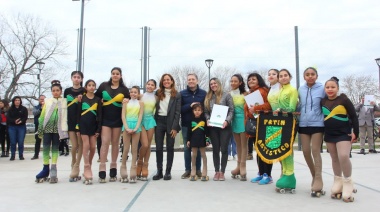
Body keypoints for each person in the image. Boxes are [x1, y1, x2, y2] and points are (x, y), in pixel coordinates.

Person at [322, 77, 359, 202]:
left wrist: (356, 132)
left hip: (344, 134)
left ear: (337, 88)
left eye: (333, 87)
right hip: (329, 134)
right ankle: (338, 180)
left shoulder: (343, 99)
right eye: (327, 87)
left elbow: (354, 116)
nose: (330, 89)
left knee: (343, 156)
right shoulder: (323, 101)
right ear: (325, 89)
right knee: (334, 158)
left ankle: (348, 181)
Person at [95, 67, 130, 183]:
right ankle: (102, 167)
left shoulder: (124, 89)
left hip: (117, 119)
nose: (115, 75)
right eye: (113, 73)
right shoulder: (103, 86)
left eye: (117, 74)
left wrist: (127, 101)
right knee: (105, 142)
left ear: (120, 76)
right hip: (105, 119)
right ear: (111, 75)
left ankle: (113, 167)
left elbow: (130, 101)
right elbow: (95, 97)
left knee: (115, 143)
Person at [298, 67, 326, 196]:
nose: (310, 76)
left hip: (318, 123)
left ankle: (319, 179)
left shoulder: (322, 88)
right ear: (304, 77)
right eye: (307, 74)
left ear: (317, 76)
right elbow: (298, 105)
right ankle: (314, 176)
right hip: (303, 124)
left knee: (315, 150)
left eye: (312, 74)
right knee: (305, 151)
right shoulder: (301, 89)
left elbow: (329, 102)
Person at [35, 80, 68, 183]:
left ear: (61, 91)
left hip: (58, 129)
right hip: (47, 128)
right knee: (45, 148)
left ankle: (53, 168)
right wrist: (40, 129)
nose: (55, 92)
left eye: (57, 90)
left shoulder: (64, 101)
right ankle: (45, 168)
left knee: (55, 149)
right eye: (53, 90)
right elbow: (42, 115)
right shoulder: (48, 101)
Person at [244, 72, 272, 185]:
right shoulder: (250, 93)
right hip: (254, 123)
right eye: (249, 79)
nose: (251, 81)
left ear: (259, 80)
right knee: (258, 150)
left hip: (264, 123)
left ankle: (267, 175)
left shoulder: (264, 91)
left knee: (265, 149)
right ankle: (260, 173)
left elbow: (269, 105)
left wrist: (256, 108)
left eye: (253, 79)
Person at [204, 78, 234, 181]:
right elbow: (206, 111)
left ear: (219, 83)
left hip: (225, 127)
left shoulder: (227, 95)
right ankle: (216, 171)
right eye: (211, 84)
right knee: (215, 149)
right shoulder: (208, 97)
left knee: (224, 149)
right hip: (213, 127)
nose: (213, 85)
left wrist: (227, 121)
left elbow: (231, 110)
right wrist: (208, 119)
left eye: (214, 83)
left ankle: (222, 171)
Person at [152, 74, 181, 181]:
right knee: (158, 147)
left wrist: (175, 127)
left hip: (171, 123)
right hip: (159, 121)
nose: (166, 81)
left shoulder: (177, 95)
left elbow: (178, 112)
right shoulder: (158, 93)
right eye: (164, 80)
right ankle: (159, 171)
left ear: (172, 81)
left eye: (168, 80)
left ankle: (168, 172)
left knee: (170, 147)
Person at [274, 69, 298, 191]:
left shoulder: (292, 90)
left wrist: (280, 109)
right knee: (281, 148)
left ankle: (290, 175)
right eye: (281, 76)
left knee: (287, 149)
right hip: (281, 122)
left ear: (290, 77)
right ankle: (285, 173)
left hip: (290, 122)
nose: (283, 77)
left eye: (285, 75)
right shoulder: (281, 89)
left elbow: (292, 107)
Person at [180, 74, 206, 179]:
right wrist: (189, 105)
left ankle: (198, 170)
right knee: (187, 148)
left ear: (197, 80)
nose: (191, 81)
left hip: (199, 125)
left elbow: (206, 108)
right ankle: (188, 170)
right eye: (189, 79)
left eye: (193, 79)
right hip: (186, 125)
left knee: (199, 147)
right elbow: (179, 109)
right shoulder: (182, 94)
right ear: (187, 81)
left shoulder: (203, 93)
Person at [77, 79, 102, 185]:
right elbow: (78, 114)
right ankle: (86, 167)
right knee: (85, 145)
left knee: (92, 147)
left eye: (93, 85)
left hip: (93, 126)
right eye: (89, 85)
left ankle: (89, 165)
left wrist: (98, 129)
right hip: (83, 125)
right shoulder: (82, 98)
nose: (91, 87)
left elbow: (100, 115)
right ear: (86, 87)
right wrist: (77, 127)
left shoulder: (98, 100)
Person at [64, 71, 85, 182]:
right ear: (72, 78)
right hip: (70, 121)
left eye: (78, 77)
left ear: (81, 79)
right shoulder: (67, 91)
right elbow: (63, 106)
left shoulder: (84, 90)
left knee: (81, 144)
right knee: (74, 145)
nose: (76, 79)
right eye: (74, 77)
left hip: (81, 120)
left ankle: (77, 166)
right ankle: (73, 163)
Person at [120, 86, 144, 183]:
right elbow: (123, 115)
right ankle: (123, 167)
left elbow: (140, 115)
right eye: (132, 92)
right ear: (129, 93)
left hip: (136, 127)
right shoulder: (126, 103)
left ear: (138, 94)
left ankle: (133, 168)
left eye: (135, 92)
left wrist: (136, 127)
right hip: (127, 126)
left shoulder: (141, 103)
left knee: (134, 149)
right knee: (126, 148)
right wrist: (126, 127)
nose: (133, 94)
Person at [136, 79, 157, 181]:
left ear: (155, 87)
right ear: (145, 85)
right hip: (141, 121)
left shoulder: (156, 98)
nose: (150, 86)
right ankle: (139, 162)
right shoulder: (140, 96)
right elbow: (130, 99)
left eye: (152, 85)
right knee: (144, 144)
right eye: (148, 84)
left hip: (150, 121)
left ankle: (145, 165)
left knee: (148, 145)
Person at [230, 74, 248, 181]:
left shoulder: (246, 94)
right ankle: (238, 166)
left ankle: (243, 166)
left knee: (243, 144)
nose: (233, 83)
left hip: (244, 120)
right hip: (234, 120)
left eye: (235, 81)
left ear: (240, 82)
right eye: (231, 81)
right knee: (237, 144)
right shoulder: (228, 94)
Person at [186, 103, 210, 181]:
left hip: (202, 139)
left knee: (203, 155)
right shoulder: (191, 120)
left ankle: (204, 171)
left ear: (202, 111)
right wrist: (188, 140)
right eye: (195, 110)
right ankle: (193, 170)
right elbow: (189, 132)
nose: (197, 112)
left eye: (199, 110)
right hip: (193, 139)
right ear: (193, 111)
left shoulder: (204, 120)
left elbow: (207, 131)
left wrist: (207, 140)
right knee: (194, 155)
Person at [6, 96, 28, 161]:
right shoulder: (10, 109)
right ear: (13, 101)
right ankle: (13, 155)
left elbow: (25, 117)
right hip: (12, 127)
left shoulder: (24, 109)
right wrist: (14, 121)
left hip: (21, 127)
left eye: (18, 100)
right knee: (13, 142)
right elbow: (8, 118)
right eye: (16, 100)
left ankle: (21, 155)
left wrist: (21, 121)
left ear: (20, 101)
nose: (17, 101)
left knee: (20, 142)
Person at [31, 95, 45, 160]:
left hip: (46, 125)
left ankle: (46, 154)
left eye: (43, 99)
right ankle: (36, 154)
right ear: (38, 100)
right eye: (41, 99)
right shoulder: (36, 107)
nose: (42, 100)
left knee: (46, 140)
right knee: (38, 141)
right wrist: (41, 108)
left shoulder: (48, 107)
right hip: (38, 125)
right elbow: (34, 113)